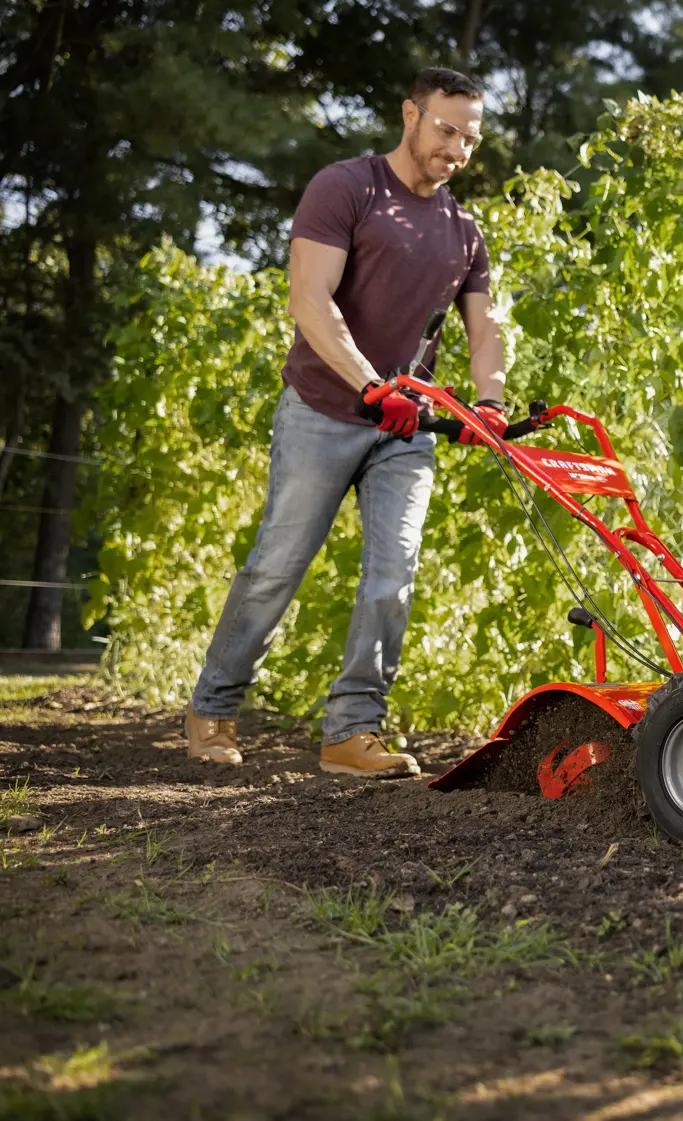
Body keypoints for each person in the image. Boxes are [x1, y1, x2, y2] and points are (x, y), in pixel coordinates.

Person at [184, 67, 509, 778]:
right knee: (277, 567)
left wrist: (490, 400)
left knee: (394, 575)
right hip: (322, 410)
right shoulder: (347, 188)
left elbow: (484, 329)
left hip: (405, 429)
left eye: (470, 140)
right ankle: (213, 707)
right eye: (446, 130)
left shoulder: (462, 230)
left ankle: (352, 730)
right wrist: (369, 386)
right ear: (410, 115)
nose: (456, 149)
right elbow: (310, 299)